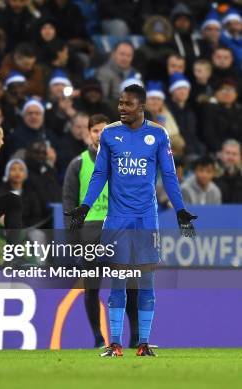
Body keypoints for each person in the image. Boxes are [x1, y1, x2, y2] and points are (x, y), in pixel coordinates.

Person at [66, 84, 197, 357]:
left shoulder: (158, 135)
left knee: (146, 282)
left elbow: (169, 176)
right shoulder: (111, 134)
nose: (121, 108)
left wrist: (180, 209)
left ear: (141, 106)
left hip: (147, 220)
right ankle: (114, 344)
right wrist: (85, 206)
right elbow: (100, 174)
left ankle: (143, 344)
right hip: (117, 221)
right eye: (120, 103)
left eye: (127, 104)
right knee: (118, 282)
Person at [62, 114, 139, 348]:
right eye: (95, 130)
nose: (99, 134)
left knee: (130, 286)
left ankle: (135, 336)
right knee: (92, 288)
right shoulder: (78, 164)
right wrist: (73, 240)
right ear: (88, 133)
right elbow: (69, 204)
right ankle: (98, 337)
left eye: (104, 130)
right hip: (90, 232)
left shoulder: (125, 161)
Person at [214, 139, 242, 203]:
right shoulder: (212, 177)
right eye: (227, 153)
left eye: (234, 154)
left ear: (240, 157)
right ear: (221, 155)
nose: (230, 157)